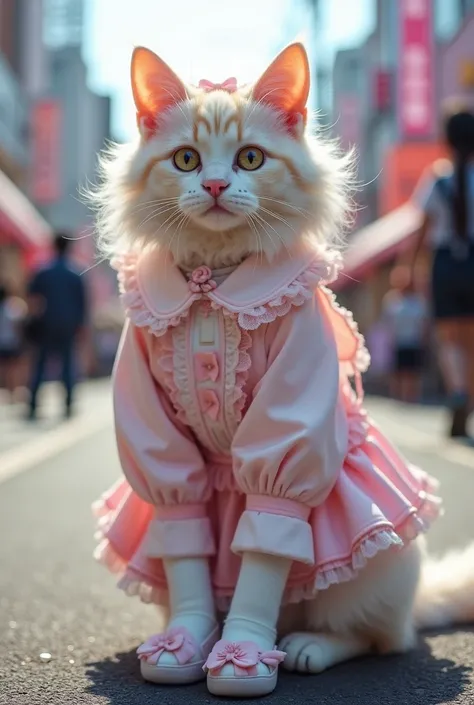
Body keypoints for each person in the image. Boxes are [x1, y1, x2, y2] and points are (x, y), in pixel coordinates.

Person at [86, 45, 472, 700]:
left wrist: (257, 625)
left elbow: (291, 442)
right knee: (177, 510)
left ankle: (310, 629)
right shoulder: (147, 298)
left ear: (292, 133)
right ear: (148, 142)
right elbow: (158, 451)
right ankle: (194, 618)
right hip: (209, 561)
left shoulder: (294, 297)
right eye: (186, 159)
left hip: (326, 560)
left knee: (364, 576)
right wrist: (187, 613)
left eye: (248, 158)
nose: (213, 180)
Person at [411, 107, 474, 437]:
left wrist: (408, 270)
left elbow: (421, 230)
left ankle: (458, 391)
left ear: (446, 139)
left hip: (446, 263)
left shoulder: (438, 179)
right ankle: (469, 399)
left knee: (449, 338)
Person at [26, 232, 87, 420]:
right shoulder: (76, 273)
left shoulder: (43, 271)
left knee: (41, 363)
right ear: (69, 247)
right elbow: (82, 304)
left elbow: (32, 299)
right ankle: (68, 404)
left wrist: (33, 320)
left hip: (46, 323)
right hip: (68, 324)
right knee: (68, 363)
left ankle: (33, 405)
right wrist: (80, 325)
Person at [382, 265, 428, 403]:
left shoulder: (417, 301)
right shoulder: (392, 299)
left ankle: (411, 397)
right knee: (398, 370)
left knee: (412, 370)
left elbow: (423, 321)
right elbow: (387, 321)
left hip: (414, 340)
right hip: (398, 340)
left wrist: (424, 338)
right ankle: (399, 397)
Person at [0, 285, 26, 399]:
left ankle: (6, 389)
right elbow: (18, 324)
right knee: (14, 368)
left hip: (2, 342)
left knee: (5, 368)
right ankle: (13, 390)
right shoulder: (12, 306)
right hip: (12, 342)